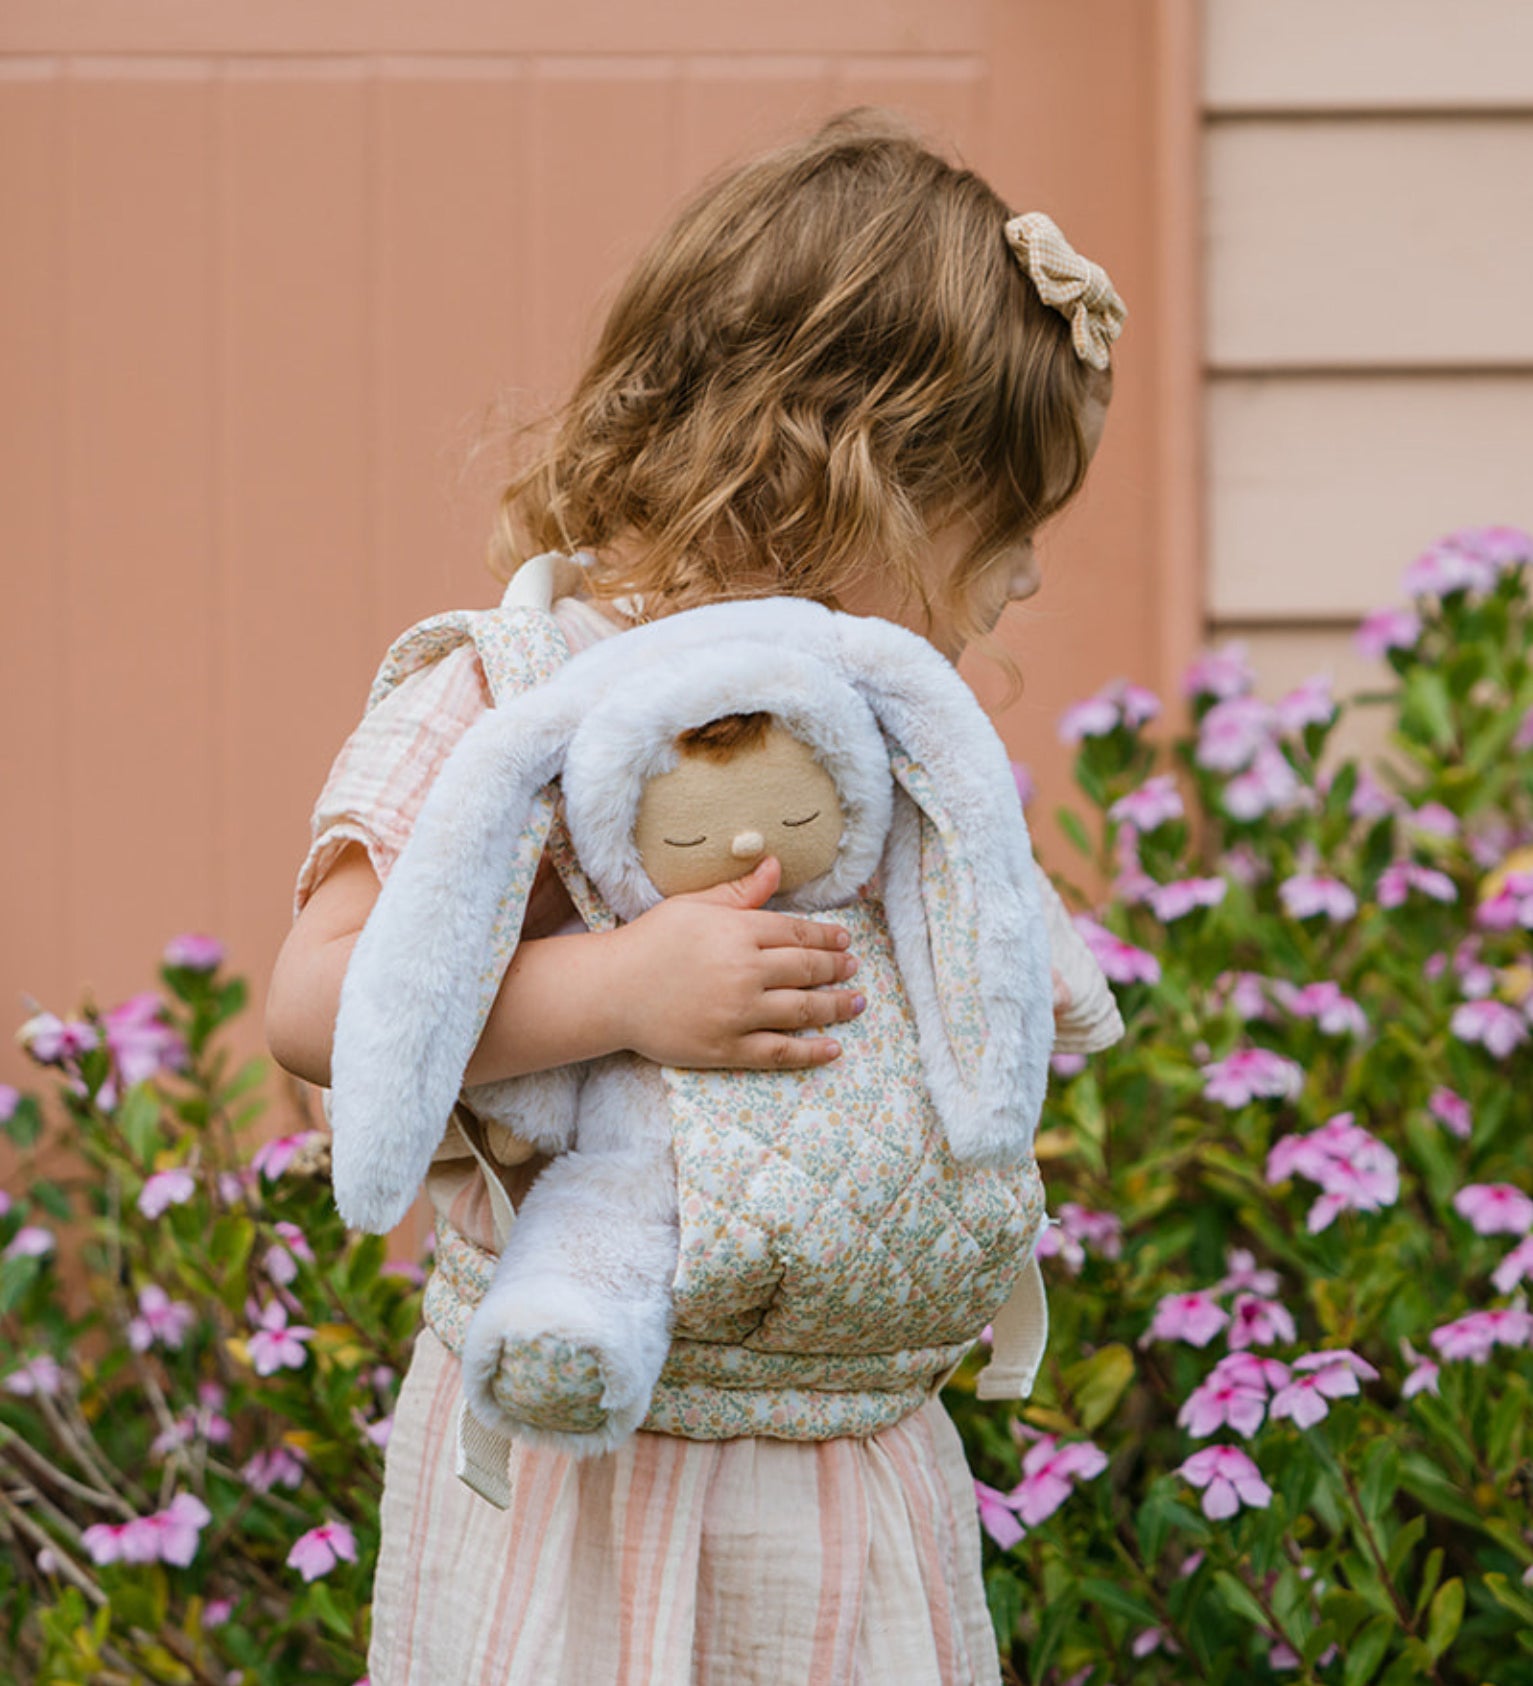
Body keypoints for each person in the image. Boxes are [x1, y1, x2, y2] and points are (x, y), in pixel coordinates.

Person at [265, 106, 1123, 1686]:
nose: (1030, 576)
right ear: (861, 469)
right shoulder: (520, 688)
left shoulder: (878, 734)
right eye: (1008, 524)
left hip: (846, 1470)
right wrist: (621, 989)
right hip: (587, 1462)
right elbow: (318, 1001)